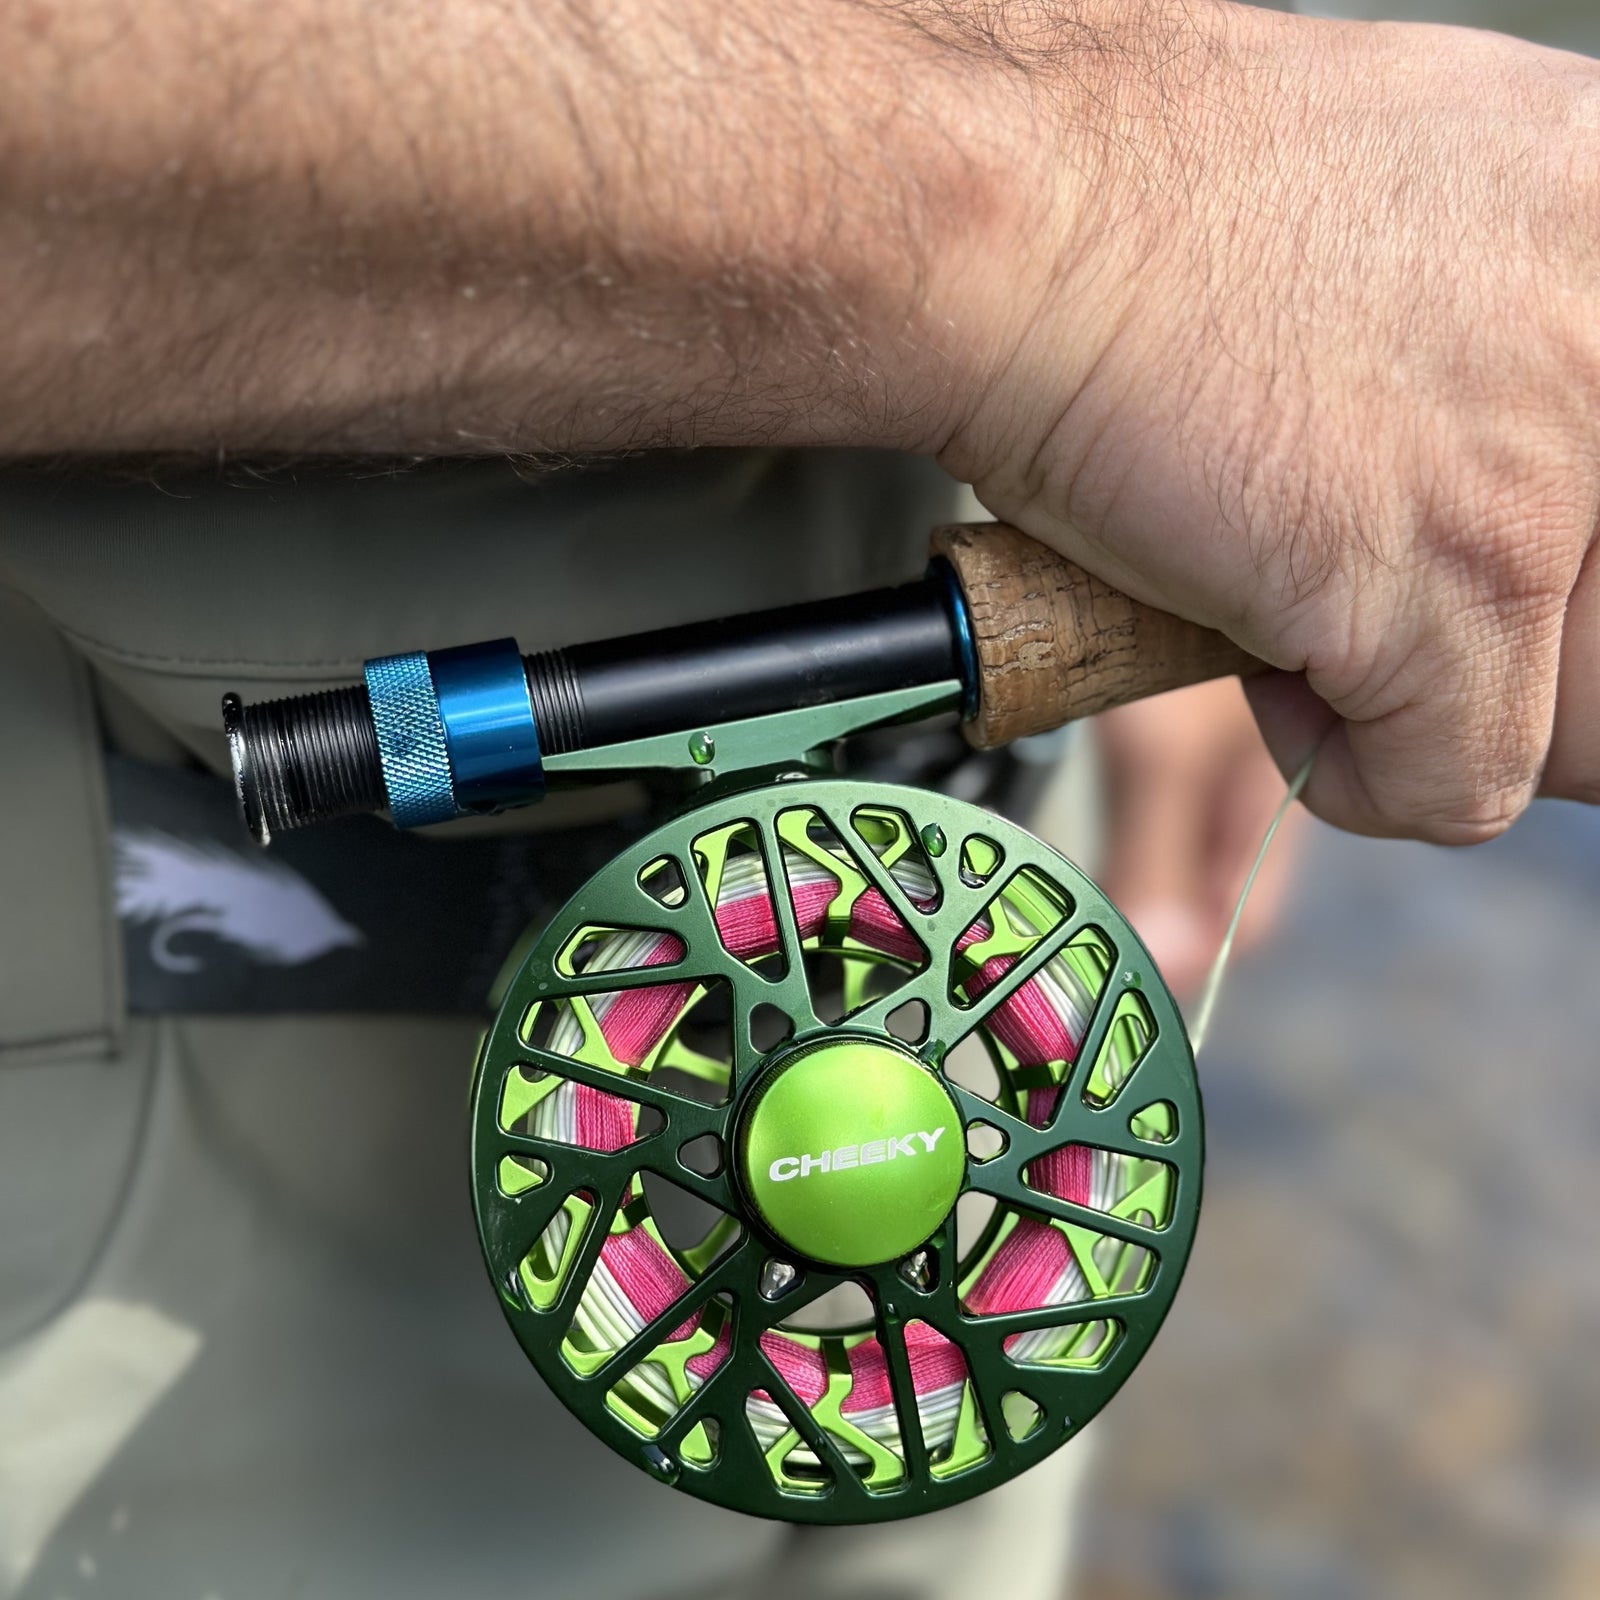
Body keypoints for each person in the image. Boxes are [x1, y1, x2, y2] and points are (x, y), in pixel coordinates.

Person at [0, 1, 1593, 1596]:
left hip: (976, 1004)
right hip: (205, 1057)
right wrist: (1094, 225)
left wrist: (1215, 476)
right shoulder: (1078, 240)